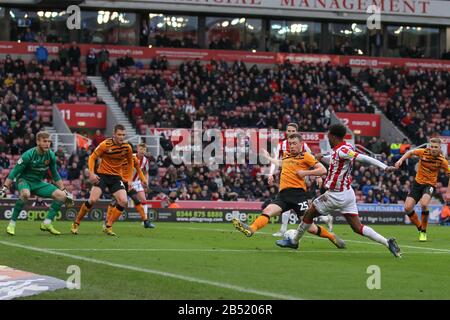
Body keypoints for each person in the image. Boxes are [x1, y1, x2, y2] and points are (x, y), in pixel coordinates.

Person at [276, 124, 401, 258]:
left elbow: (363, 157)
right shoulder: (342, 148)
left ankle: (294, 241)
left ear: (333, 136)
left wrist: (385, 167)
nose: (327, 139)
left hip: (336, 194)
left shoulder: (344, 151)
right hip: (348, 193)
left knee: (308, 214)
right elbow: (335, 160)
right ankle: (387, 242)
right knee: (358, 227)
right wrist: (323, 157)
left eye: (328, 136)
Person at [232, 133, 346, 249]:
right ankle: (251, 229)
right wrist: (269, 158)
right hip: (283, 195)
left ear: (301, 144)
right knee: (268, 210)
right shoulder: (286, 155)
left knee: (310, 228)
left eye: (294, 143)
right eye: (290, 144)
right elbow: (281, 164)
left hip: (298, 195)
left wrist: (306, 173)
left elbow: (322, 170)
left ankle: (331, 236)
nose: (291, 146)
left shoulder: (305, 156)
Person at [0, 131, 74, 236]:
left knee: (61, 196)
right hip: (24, 181)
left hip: (38, 183)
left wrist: (65, 191)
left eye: (49, 141)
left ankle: (47, 223)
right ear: (37, 142)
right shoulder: (28, 155)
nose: (47, 144)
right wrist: (4, 188)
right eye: (44, 141)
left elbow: (55, 175)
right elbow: (14, 172)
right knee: (26, 194)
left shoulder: (51, 155)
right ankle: (12, 224)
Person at [268, 123, 331, 237]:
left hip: (301, 178)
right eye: (289, 131)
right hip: (286, 176)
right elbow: (276, 159)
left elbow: (311, 160)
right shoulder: (281, 145)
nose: (290, 133)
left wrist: (317, 176)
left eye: (293, 131)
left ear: (297, 132)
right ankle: (324, 218)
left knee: (300, 206)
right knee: (290, 203)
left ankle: (323, 219)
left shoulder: (303, 145)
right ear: (286, 132)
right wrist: (271, 174)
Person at [70, 124, 133, 236]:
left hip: (116, 177)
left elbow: (130, 163)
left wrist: (129, 179)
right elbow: (92, 157)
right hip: (102, 175)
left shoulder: (127, 147)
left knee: (123, 201)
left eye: (123, 135)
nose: (121, 137)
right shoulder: (105, 144)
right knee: (92, 200)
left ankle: (108, 226)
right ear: (114, 134)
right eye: (119, 134)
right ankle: (76, 222)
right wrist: (92, 173)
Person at [394, 137, 450, 241]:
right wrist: (400, 160)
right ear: (429, 146)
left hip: (430, 185)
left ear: (439, 148)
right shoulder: (423, 152)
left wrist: (448, 191)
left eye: (436, 147)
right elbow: (410, 152)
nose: (433, 149)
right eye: (432, 146)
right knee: (407, 208)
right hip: (417, 184)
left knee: (424, 204)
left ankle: (423, 232)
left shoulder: (442, 161)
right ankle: (420, 228)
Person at [104, 142, 155, 229]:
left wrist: (145, 181)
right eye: (141, 149)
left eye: (144, 150)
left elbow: (145, 172)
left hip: (136, 182)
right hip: (123, 182)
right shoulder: (130, 157)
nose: (142, 151)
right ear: (137, 149)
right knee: (115, 201)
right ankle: (107, 221)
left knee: (142, 199)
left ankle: (145, 221)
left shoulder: (145, 161)